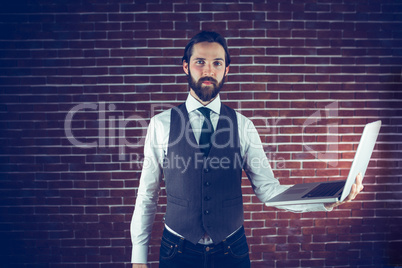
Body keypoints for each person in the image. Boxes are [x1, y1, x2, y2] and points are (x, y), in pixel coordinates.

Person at [130, 31, 364, 268]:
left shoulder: (244, 126)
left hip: (231, 251)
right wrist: (138, 257)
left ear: (226, 70)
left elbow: (268, 190)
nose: (208, 70)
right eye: (200, 62)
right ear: (185, 67)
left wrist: (326, 199)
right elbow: (148, 194)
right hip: (177, 251)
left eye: (217, 63)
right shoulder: (161, 124)